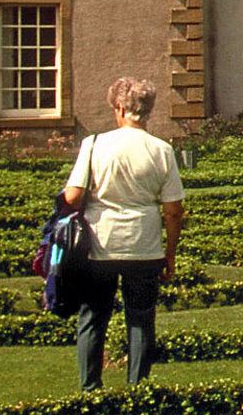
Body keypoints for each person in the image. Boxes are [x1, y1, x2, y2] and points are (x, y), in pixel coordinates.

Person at [63, 77, 185, 390]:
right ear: (148, 111)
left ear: (119, 108)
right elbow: (173, 210)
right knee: (141, 318)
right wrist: (170, 254)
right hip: (144, 246)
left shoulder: (94, 144)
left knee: (93, 317)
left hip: (99, 245)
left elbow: (73, 196)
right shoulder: (162, 150)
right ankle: (137, 387)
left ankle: (90, 388)